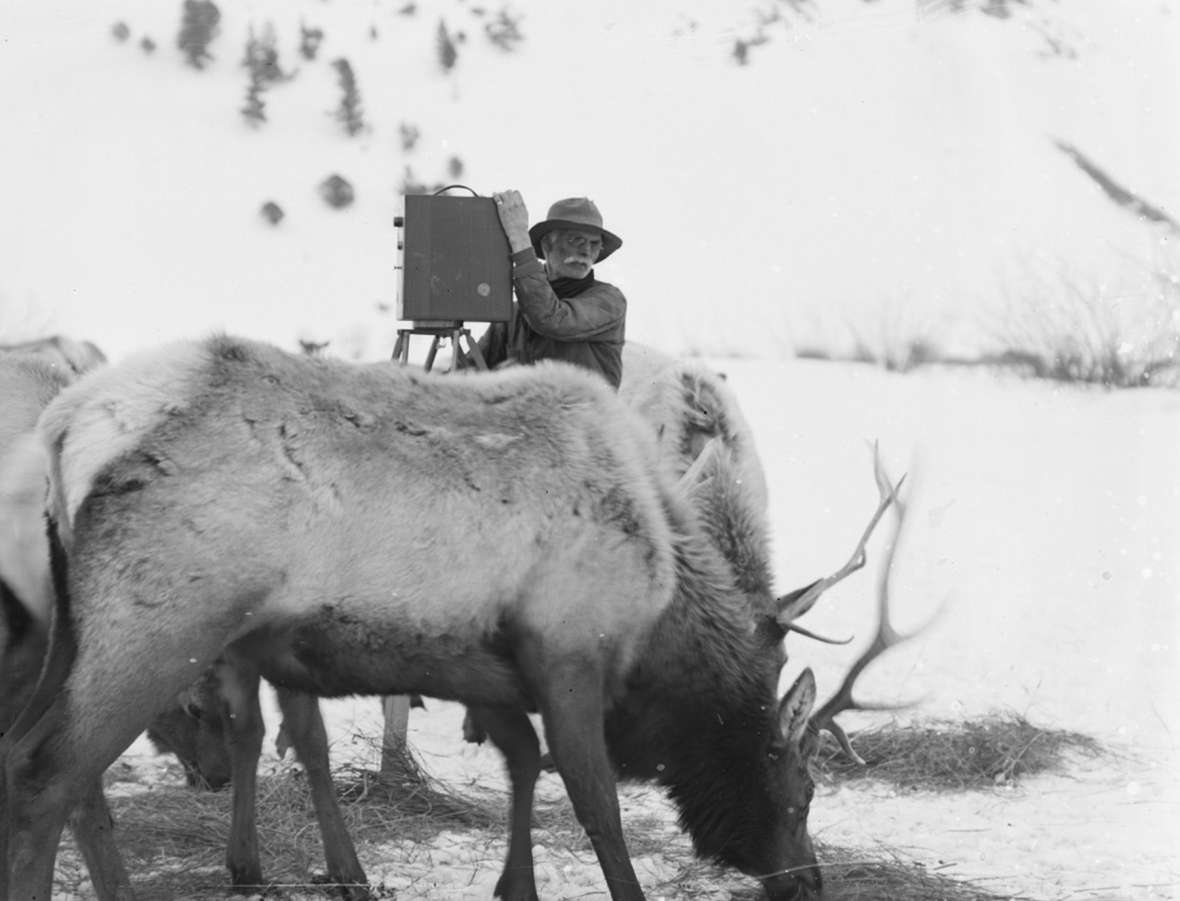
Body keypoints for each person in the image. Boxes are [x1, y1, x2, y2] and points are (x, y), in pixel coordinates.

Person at [472, 191, 627, 389]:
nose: (586, 251)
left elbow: (550, 318)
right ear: (546, 245)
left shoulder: (610, 300)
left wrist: (519, 238)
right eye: (575, 240)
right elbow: (468, 369)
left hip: (581, 418)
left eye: (594, 244)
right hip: (524, 417)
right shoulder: (513, 314)